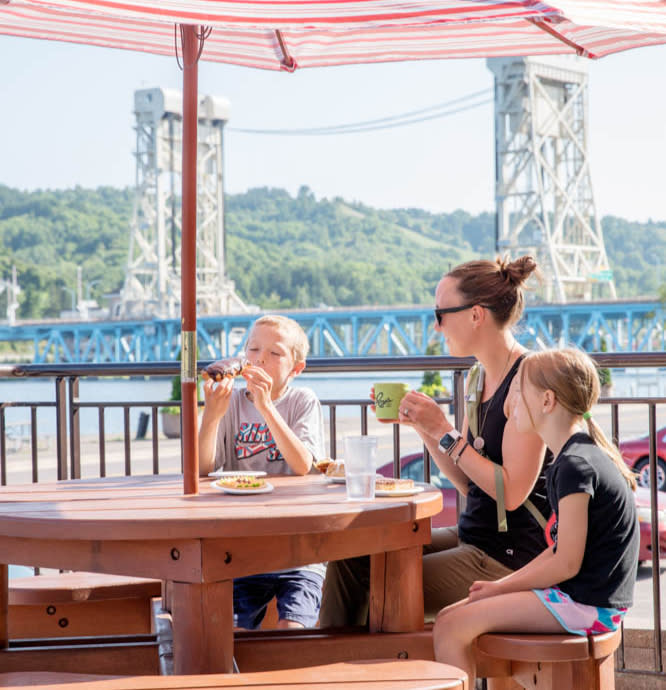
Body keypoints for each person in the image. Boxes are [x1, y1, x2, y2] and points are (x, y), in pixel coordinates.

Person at [320, 255, 550, 626]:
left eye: (441, 314)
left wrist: (443, 428)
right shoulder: (478, 378)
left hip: (509, 558)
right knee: (351, 558)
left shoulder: (528, 380)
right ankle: (329, 673)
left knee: (383, 583)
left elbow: (511, 493)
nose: (436, 326)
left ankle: (357, 672)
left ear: (476, 315)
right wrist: (425, 428)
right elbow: (466, 481)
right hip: (474, 539)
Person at [433, 348, 639, 686]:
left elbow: (566, 562)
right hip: (582, 599)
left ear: (547, 401)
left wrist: (501, 587)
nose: (509, 401)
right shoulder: (573, 458)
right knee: (450, 618)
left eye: (518, 390)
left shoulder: (576, 466)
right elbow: (561, 551)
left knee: (450, 626)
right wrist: (500, 588)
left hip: (589, 606)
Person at [199, 314, 325, 630]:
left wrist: (266, 405)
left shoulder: (301, 401)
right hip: (244, 547)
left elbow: (303, 466)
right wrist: (212, 416)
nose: (260, 359)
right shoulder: (232, 403)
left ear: (296, 368)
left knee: (293, 628)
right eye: (253, 350)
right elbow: (203, 469)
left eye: (275, 353)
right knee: (230, 632)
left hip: (300, 547)